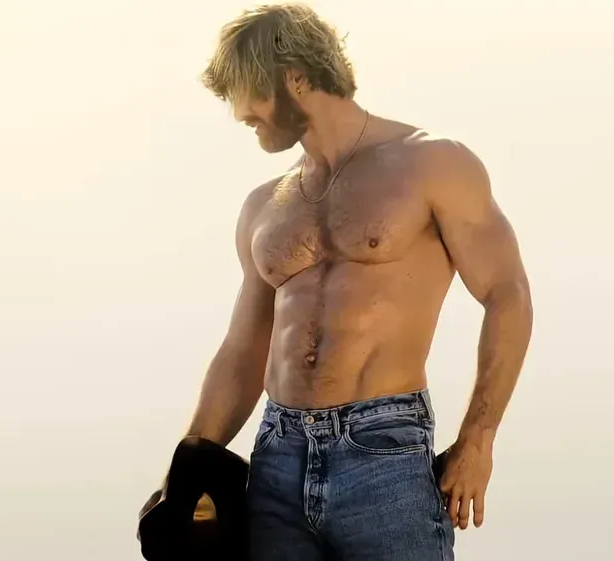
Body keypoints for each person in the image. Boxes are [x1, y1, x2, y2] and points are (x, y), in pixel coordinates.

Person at [147, 4, 534, 560]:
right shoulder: (264, 206)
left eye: (245, 92)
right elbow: (243, 347)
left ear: (294, 78)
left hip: (383, 450)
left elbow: (507, 295)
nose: (239, 113)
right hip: (277, 457)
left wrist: (479, 438)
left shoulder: (432, 164)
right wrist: (190, 463)